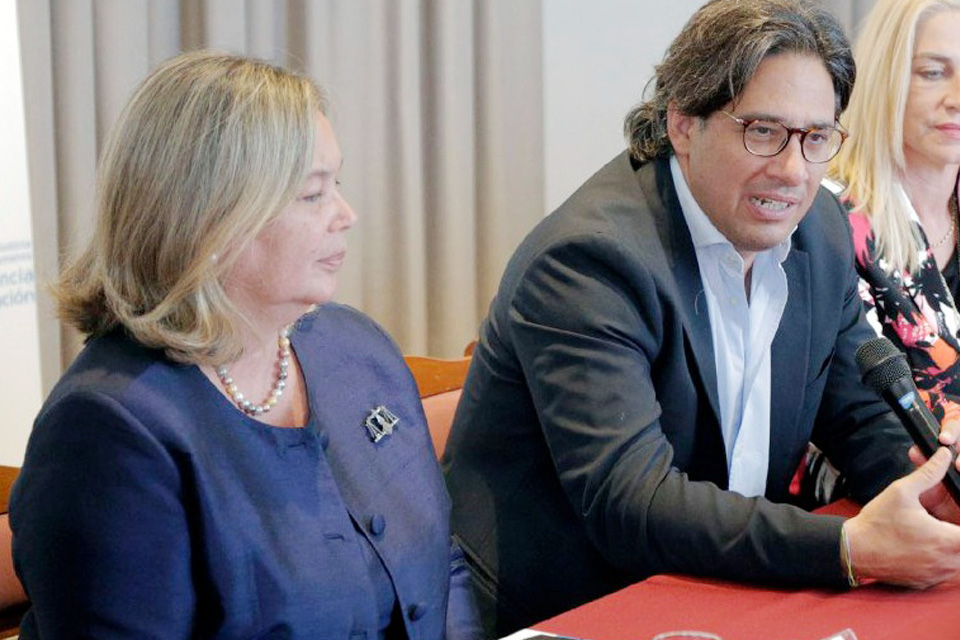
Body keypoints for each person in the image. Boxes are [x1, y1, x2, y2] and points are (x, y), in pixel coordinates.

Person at [441, 0, 960, 636]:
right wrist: (846, 549)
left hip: (722, 586)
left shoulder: (819, 231)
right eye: (763, 132)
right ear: (683, 124)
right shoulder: (589, 260)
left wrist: (927, 482)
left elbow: (859, 417)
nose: (793, 171)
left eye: (816, 138)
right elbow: (632, 502)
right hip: (571, 607)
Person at [10, 51, 479, 639]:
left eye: (336, 184)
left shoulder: (354, 347)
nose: (346, 215)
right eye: (312, 195)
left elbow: (441, 566)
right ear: (212, 218)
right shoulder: (108, 432)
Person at [801, 0, 960, 507]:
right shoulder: (825, 217)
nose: (957, 97)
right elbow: (855, 417)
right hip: (873, 503)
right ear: (886, 81)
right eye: (933, 73)